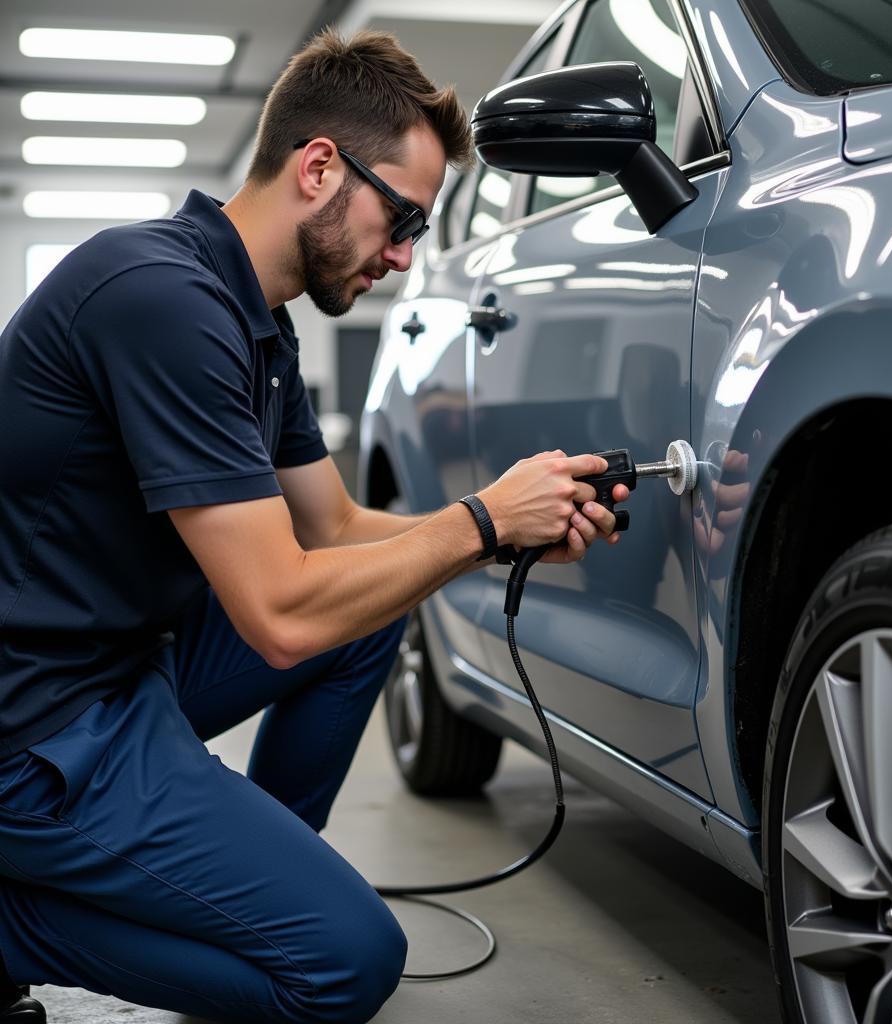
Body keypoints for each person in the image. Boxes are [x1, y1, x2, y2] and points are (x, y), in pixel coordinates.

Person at [0, 27, 627, 1024]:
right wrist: (474, 522)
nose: (408, 251)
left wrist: (503, 529)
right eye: (402, 215)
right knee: (341, 968)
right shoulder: (161, 297)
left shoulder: (260, 322)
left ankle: (252, 881)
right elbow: (282, 617)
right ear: (319, 166)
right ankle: (9, 925)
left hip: (122, 671)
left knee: (376, 609)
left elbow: (331, 528)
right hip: (37, 731)